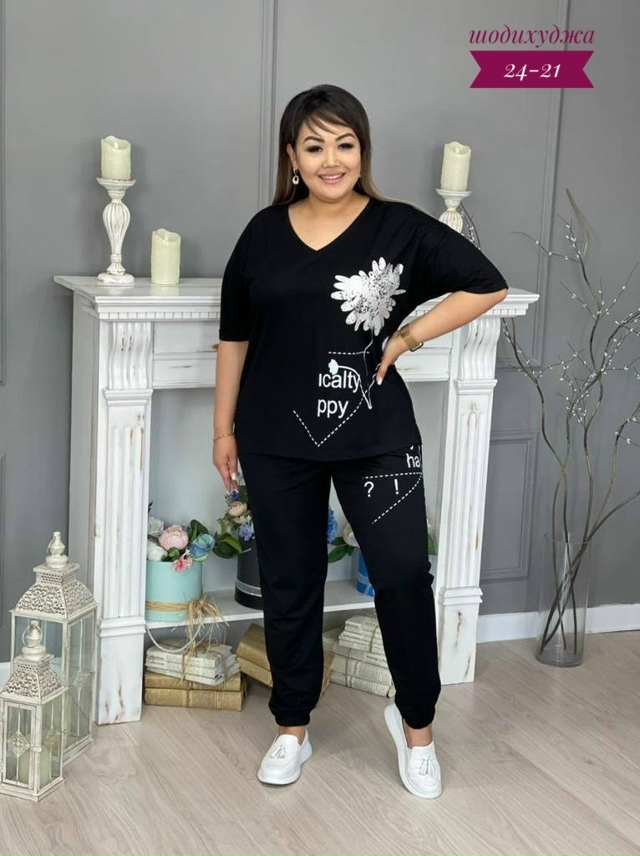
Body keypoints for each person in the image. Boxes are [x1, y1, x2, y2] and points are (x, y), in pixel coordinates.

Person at [213, 84, 508, 799]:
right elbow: (234, 336)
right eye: (314, 146)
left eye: (344, 144)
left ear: (362, 151)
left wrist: (407, 337)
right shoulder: (262, 233)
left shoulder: (398, 228)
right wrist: (223, 428)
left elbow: (486, 284)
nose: (331, 159)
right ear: (292, 156)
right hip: (276, 436)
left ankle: (417, 730)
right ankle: (292, 728)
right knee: (290, 581)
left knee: (403, 575)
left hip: (376, 434)